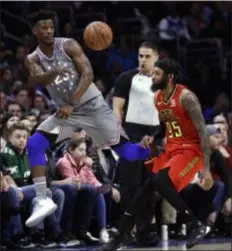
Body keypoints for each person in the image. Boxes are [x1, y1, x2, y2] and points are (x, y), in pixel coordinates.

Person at [24, 10, 151, 228]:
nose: (49, 31)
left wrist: (71, 103)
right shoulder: (33, 58)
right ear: (35, 31)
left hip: (93, 108)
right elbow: (36, 78)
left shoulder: (68, 45)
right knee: (34, 143)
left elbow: (88, 74)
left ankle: (154, 148)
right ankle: (43, 199)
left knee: (129, 153)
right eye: (44, 27)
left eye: (51, 26)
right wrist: (52, 75)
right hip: (67, 115)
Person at [101, 58, 214, 251]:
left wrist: (206, 168)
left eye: (157, 74)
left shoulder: (186, 97)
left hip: (191, 150)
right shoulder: (159, 98)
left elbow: (203, 131)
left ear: (169, 77)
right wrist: (152, 137)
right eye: (152, 73)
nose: (152, 77)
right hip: (172, 149)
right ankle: (121, 235)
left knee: (159, 182)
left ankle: (195, 224)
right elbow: (166, 127)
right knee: (145, 188)